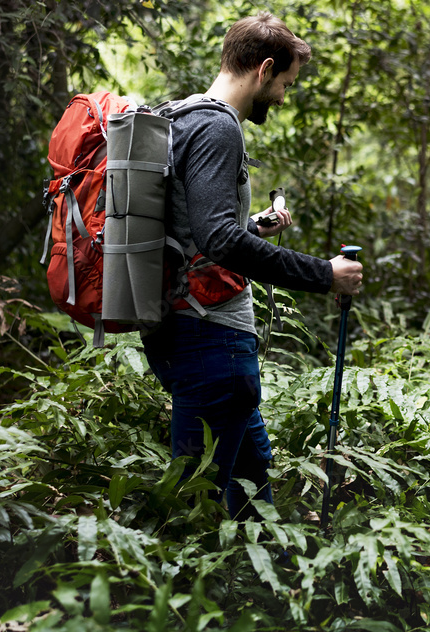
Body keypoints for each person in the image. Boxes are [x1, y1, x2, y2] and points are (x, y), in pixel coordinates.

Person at [142, 12, 363, 519]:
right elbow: (218, 237)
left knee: (250, 473)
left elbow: (195, 228)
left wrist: (256, 226)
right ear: (264, 70)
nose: (283, 97)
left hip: (189, 332)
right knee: (196, 500)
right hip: (209, 339)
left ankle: (258, 587)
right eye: (285, 83)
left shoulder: (182, 115)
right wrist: (323, 273)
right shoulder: (219, 129)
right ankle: (181, 592)